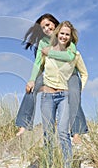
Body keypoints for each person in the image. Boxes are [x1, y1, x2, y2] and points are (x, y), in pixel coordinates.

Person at [15, 14, 88, 143]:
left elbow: (70, 57)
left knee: (74, 94)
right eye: (43, 27)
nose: (47, 29)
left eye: (48, 25)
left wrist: (50, 52)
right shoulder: (42, 43)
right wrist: (32, 79)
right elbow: (38, 63)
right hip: (50, 75)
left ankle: (76, 132)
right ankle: (24, 124)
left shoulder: (66, 38)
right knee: (31, 87)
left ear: (55, 24)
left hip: (69, 75)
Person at [40, 21, 88, 168]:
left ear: (70, 37)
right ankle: (48, 166)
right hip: (47, 96)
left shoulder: (74, 54)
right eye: (62, 33)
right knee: (48, 133)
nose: (64, 36)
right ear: (57, 34)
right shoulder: (47, 51)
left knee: (62, 132)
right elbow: (39, 68)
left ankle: (67, 167)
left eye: (67, 34)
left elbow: (84, 73)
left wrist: (77, 92)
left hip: (65, 96)